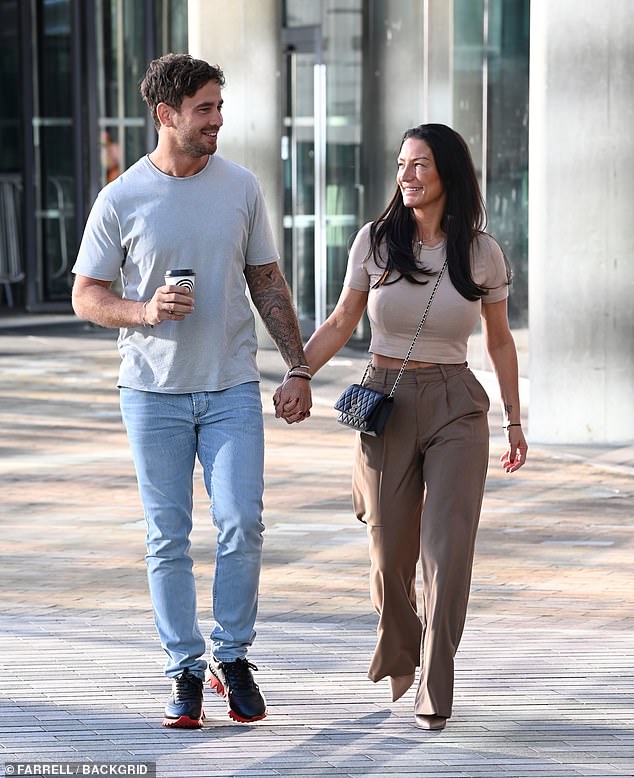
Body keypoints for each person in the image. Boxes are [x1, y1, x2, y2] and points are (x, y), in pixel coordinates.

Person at [72, 53, 311, 729]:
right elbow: (86, 296)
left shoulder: (240, 187)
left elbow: (266, 280)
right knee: (166, 536)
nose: (217, 119)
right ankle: (183, 665)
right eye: (204, 108)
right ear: (166, 115)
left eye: (218, 106)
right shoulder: (121, 197)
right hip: (152, 393)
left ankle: (232, 657)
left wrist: (297, 368)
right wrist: (144, 311)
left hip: (232, 385)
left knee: (242, 521)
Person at [275, 123, 528, 730]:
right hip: (385, 397)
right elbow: (341, 320)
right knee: (390, 555)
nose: (407, 176)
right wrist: (298, 371)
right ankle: (401, 647)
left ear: (448, 174)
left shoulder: (481, 251)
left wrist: (515, 419)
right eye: (401, 165)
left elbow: (499, 341)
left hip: (457, 405)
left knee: (446, 552)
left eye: (419, 165)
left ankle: (436, 685)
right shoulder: (376, 241)